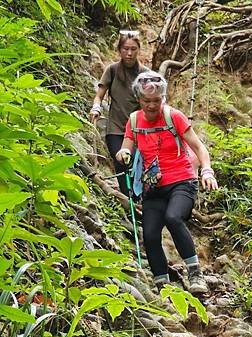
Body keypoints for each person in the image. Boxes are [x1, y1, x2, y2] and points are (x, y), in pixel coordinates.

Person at [116, 71, 218, 295]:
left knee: (173, 218)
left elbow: (200, 147)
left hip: (182, 181)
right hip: (153, 186)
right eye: (146, 101)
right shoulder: (134, 121)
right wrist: (123, 153)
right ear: (138, 99)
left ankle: (195, 273)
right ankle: (163, 285)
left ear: (163, 98)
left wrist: (207, 171)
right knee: (150, 234)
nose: (152, 106)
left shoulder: (174, 117)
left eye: (156, 101)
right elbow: (126, 146)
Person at [89, 30, 149, 196]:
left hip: (138, 129)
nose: (129, 53)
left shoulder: (145, 74)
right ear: (119, 50)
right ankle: (128, 200)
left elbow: (153, 101)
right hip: (115, 129)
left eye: (133, 49)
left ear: (139, 50)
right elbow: (99, 95)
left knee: (137, 166)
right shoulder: (112, 70)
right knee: (121, 162)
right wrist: (96, 107)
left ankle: (139, 199)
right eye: (125, 49)